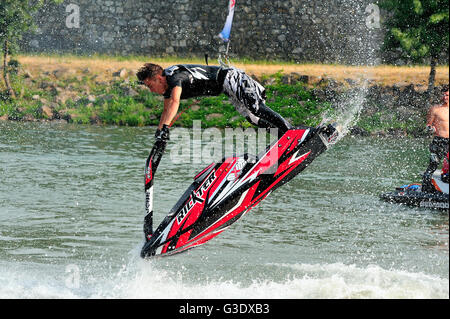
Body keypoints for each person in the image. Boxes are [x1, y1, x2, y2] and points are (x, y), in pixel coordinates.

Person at [136, 63, 293, 145]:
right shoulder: (167, 87)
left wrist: (165, 128)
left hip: (230, 78)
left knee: (257, 109)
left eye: (150, 85)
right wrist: (159, 133)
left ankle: (291, 134)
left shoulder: (174, 77)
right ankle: (283, 140)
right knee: (253, 119)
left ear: (158, 78)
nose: (151, 90)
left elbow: (175, 102)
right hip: (227, 89)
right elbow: (165, 111)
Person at [422, 89, 449, 192]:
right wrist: (430, 128)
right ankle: (425, 189)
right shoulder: (435, 109)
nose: (445, 98)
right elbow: (428, 124)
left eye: (447, 95)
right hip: (439, 140)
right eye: (444, 95)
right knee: (433, 164)